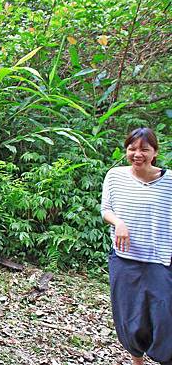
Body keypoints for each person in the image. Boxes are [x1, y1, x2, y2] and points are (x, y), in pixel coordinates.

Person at [101, 127, 172, 365]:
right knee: (130, 316)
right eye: (132, 149)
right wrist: (119, 223)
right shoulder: (115, 176)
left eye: (144, 149)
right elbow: (106, 210)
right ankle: (136, 361)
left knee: (164, 317)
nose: (137, 154)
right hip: (124, 259)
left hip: (160, 260)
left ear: (155, 152)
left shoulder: (169, 181)